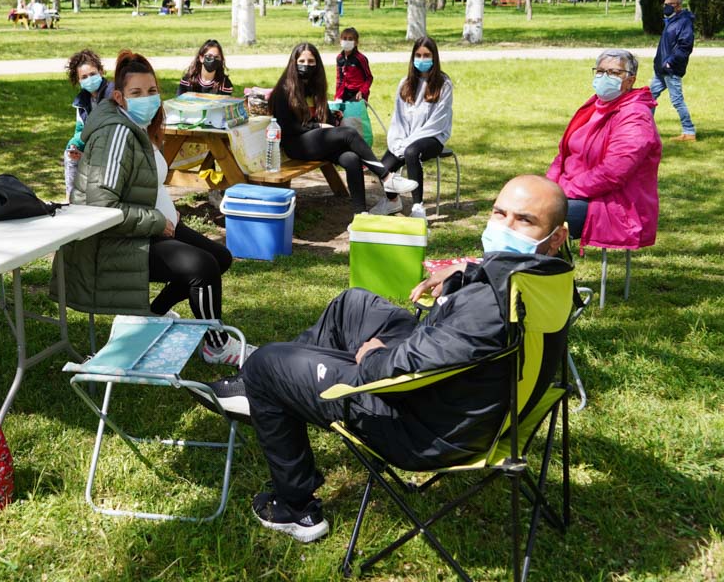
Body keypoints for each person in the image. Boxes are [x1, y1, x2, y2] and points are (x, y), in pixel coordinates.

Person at [197, 175, 570, 542]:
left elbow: (401, 366)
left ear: (557, 237)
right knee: (353, 304)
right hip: (455, 397)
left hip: (420, 426)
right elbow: (486, 308)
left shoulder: (487, 309)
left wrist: (373, 357)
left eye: (524, 220)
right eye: (499, 213)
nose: (505, 226)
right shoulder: (542, 283)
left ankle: (294, 506)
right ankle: (272, 393)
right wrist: (470, 271)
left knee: (267, 363)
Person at [52, 50, 251, 365]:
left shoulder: (139, 126)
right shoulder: (116, 133)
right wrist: (158, 222)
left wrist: (167, 211)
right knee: (203, 267)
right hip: (119, 239)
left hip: (152, 225)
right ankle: (216, 344)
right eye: (136, 93)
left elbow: (145, 183)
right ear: (119, 97)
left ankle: (151, 315)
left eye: (152, 91)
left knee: (220, 257)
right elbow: (103, 206)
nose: (147, 98)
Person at [269, 43, 416, 215]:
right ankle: (386, 177)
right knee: (349, 133)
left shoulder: (315, 88)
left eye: (311, 61)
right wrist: (318, 126)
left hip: (316, 142)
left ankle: (360, 214)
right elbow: (287, 126)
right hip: (296, 144)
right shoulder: (284, 89)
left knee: (351, 158)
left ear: (317, 64)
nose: (306, 65)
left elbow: (322, 118)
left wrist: (332, 117)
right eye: (302, 61)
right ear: (293, 63)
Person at [547, 49, 661, 247]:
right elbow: (564, 155)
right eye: (600, 71)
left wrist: (564, 191)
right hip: (575, 192)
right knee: (516, 209)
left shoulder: (635, 117)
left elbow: (612, 173)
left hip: (613, 205)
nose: (605, 77)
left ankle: (540, 273)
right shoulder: (594, 106)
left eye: (614, 73)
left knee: (537, 219)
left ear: (630, 81)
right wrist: (546, 187)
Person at [370, 36, 453, 219]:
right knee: (383, 167)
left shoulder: (444, 84)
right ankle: (392, 202)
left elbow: (437, 122)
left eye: (426, 55)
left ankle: (418, 206)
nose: (422, 59)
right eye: (418, 55)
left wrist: (408, 144)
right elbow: (398, 119)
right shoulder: (405, 84)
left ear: (434, 57)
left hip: (433, 137)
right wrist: (397, 142)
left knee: (412, 152)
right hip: (405, 138)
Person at [650, 0, 696, 141]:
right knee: (649, 98)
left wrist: (670, 61)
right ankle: (645, 128)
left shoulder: (684, 22)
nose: (666, 7)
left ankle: (688, 131)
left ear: (678, 6)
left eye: (669, 4)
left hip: (671, 69)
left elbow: (685, 46)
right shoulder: (671, 21)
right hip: (661, 69)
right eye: (665, 4)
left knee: (677, 100)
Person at [64, 48, 115, 160]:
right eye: (84, 77)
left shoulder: (113, 94)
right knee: (69, 156)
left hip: (112, 145)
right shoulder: (81, 101)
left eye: (92, 74)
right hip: (94, 146)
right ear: (78, 80)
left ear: (100, 71)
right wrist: (74, 145)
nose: (90, 79)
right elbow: (80, 131)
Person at [334, 27, 373, 103]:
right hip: (345, 93)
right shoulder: (339, 58)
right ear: (340, 41)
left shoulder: (360, 58)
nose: (347, 41)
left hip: (359, 94)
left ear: (356, 42)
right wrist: (337, 96)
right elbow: (339, 79)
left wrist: (362, 91)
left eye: (350, 39)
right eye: (344, 38)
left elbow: (369, 78)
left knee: (355, 114)